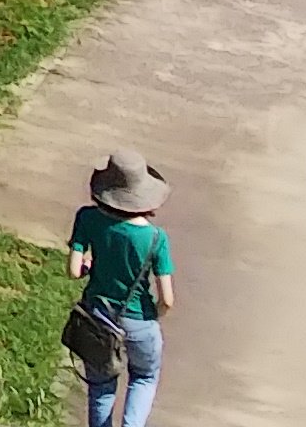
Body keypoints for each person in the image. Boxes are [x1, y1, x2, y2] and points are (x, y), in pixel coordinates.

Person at [67, 154, 175, 427]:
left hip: (98, 317)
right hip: (140, 321)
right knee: (144, 376)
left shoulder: (87, 217)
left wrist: (90, 267)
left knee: (101, 385)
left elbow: (73, 270)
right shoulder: (155, 237)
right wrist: (155, 315)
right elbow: (168, 299)